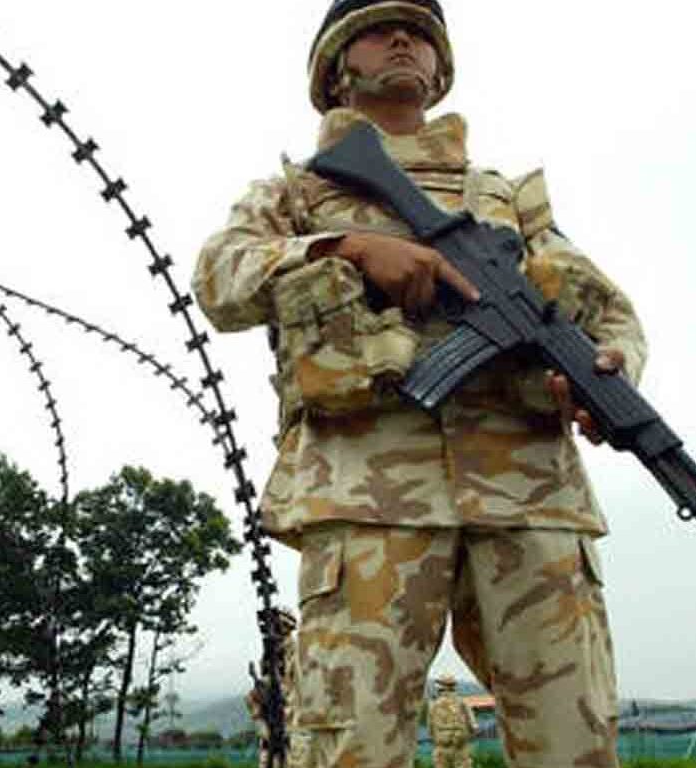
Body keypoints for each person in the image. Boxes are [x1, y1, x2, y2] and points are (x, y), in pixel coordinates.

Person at [193, 1, 648, 766]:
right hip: (367, 494)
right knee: (354, 748)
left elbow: (611, 315)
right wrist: (348, 245)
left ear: (440, 70)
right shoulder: (299, 192)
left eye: (422, 33)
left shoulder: (506, 198)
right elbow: (219, 275)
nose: (403, 39)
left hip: (531, 495)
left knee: (576, 741)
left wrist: (610, 370)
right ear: (338, 69)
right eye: (377, 29)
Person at [246, 606, 309, 767]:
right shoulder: (269, 656)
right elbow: (255, 698)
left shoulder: (297, 653)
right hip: (272, 732)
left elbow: (298, 689)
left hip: (293, 732)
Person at [428, 674, 478, 768]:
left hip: (442, 748)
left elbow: (430, 730)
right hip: (460, 748)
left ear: (440, 687)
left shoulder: (433, 705)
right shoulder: (463, 703)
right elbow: (473, 726)